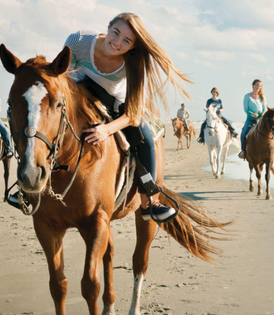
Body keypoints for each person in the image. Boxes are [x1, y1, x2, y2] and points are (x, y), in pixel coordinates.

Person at [62, 12, 192, 222]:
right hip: (79, 93)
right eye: (116, 33)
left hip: (116, 103)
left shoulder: (133, 63)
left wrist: (106, 129)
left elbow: (133, 112)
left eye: (127, 41)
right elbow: (63, 78)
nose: (117, 42)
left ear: (132, 47)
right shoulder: (78, 41)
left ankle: (149, 201)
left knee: (146, 139)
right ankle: (28, 187)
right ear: (108, 27)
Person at [238, 79, 274, 159]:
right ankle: (243, 151)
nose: (258, 87)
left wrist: (261, 114)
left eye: (260, 86)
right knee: (243, 133)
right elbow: (246, 109)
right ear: (253, 85)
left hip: (261, 119)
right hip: (250, 119)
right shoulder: (247, 96)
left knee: (272, 129)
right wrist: (252, 113)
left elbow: (264, 108)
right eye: (257, 85)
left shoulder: (262, 97)